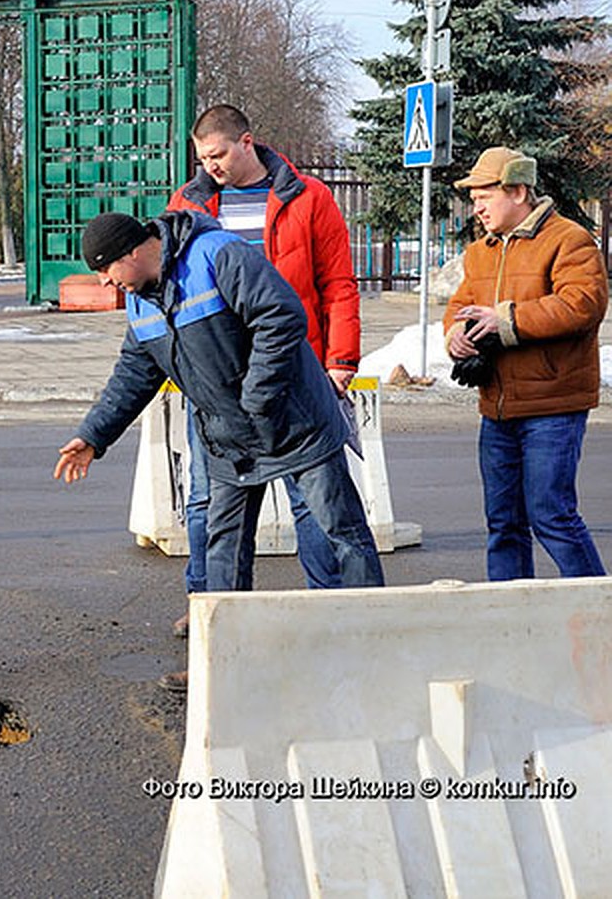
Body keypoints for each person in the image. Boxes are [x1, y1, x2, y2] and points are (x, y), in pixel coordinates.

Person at [54, 211, 385, 690]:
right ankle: (224, 661)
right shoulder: (141, 304)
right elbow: (134, 374)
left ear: (130, 254)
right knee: (223, 551)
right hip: (228, 441)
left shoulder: (216, 255)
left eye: (107, 271)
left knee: (342, 532)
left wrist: (256, 399)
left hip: (297, 424)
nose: (107, 284)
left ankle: (371, 649)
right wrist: (93, 435)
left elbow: (281, 315)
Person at [166, 105, 362, 632]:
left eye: (219, 154)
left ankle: (332, 609)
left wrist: (340, 361)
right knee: (210, 498)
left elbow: (338, 285)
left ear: (247, 142)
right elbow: (169, 287)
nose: (211, 166)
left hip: (297, 377)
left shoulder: (309, 198)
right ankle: (207, 607)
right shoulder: (189, 204)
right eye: (202, 157)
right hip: (219, 387)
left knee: (314, 504)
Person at [444, 146, 608, 581]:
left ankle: (597, 610)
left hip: (553, 407)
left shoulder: (568, 239)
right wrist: (456, 334)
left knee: (551, 516)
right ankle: (511, 620)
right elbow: (460, 304)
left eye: (484, 195)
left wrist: (506, 319)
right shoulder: (481, 251)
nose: (475, 206)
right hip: (496, 407)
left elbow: (583, 304)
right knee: (503, 524)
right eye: (473, 197)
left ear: (517, 191)